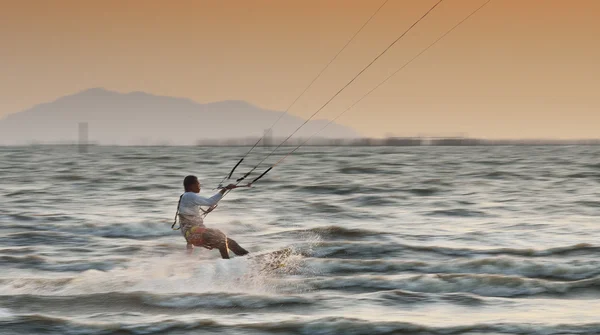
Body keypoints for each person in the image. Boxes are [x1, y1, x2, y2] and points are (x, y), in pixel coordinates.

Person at [175, 175, 249, 259]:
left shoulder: (184, 197)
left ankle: (248, 258)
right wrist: (224, 189)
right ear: (191, 185)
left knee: (230, 243)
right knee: (220, 237)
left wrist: (189, 245)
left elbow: (185, 223)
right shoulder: (189, 196)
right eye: (198, 184)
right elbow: (211, 201)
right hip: (194, 234)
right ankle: (227, 264)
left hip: (193, 236)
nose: (200, 186)